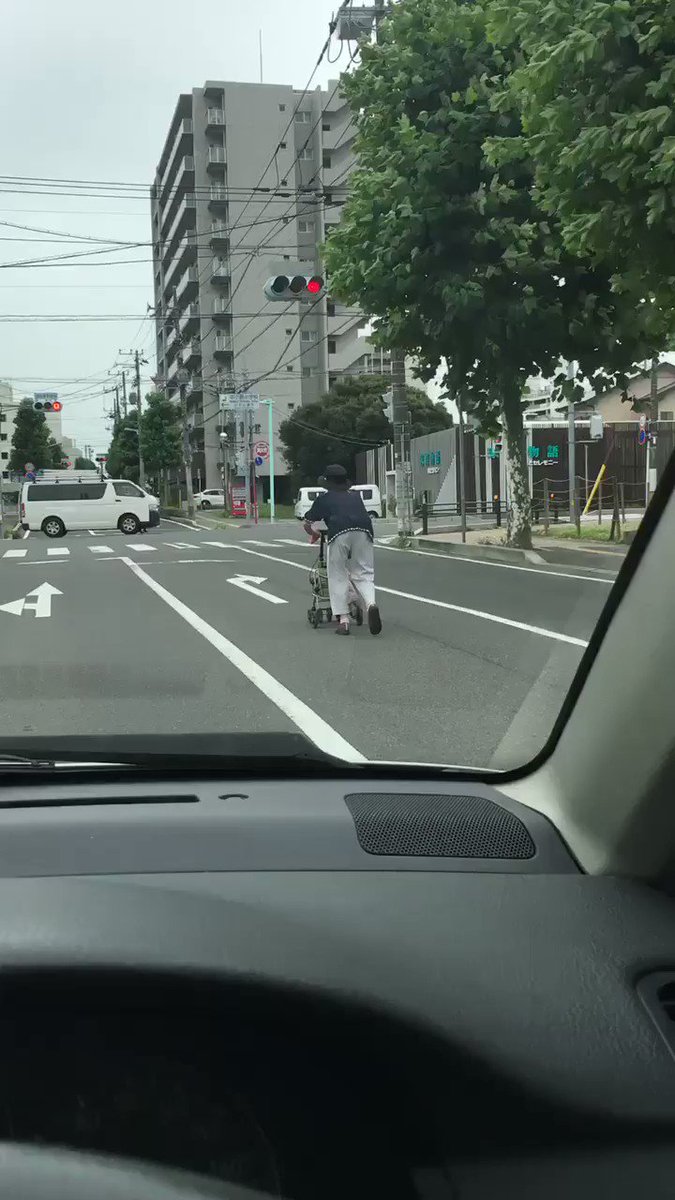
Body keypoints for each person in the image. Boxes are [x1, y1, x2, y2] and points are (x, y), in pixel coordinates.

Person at [304, 464, 382, 636]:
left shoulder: (324, 499)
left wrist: (314, 534)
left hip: (339, 532)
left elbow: (308, 522)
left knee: (337, 574)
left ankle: (344, 620)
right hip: (364, 531)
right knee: (364, 573)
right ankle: (370, 604)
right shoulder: (355, 497)